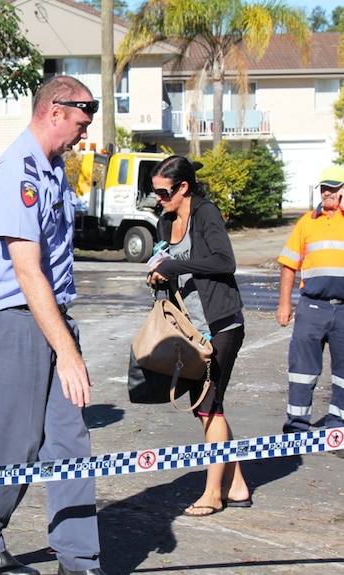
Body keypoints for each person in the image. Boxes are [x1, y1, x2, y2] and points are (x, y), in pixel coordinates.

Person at [0, 75, 105, 575]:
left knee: (70, 442)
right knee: (15, 442)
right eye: (81, 123)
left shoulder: (52, 170)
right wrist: (67, 350)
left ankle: (79, 559)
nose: (83, 134)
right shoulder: (16, 174)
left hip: (50, 319)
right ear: (54, 111)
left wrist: (65, 342)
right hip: (13, 322)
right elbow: (26, 271)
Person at [147, 155, 252, 514]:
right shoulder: (165, 221)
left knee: (210, 406)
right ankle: (236, 484)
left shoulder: (206, 213)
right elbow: (165, 261)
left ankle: (213, 494)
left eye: (163, 192)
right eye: (155, 192)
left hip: (220, 325)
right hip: (188, 330)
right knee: (207, 411)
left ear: (183, 187)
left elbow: (225, 262)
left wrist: (176, 265)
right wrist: (158, 274)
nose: (158, 198)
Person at [276, 164, 344, 449]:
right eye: (324, 187)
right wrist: (284, 305)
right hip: (312, 308)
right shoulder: (306, 222)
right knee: (302, 372)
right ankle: (296, 431)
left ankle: (337, 433)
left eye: (334, 188)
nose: (327, 192)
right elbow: (289, 265)